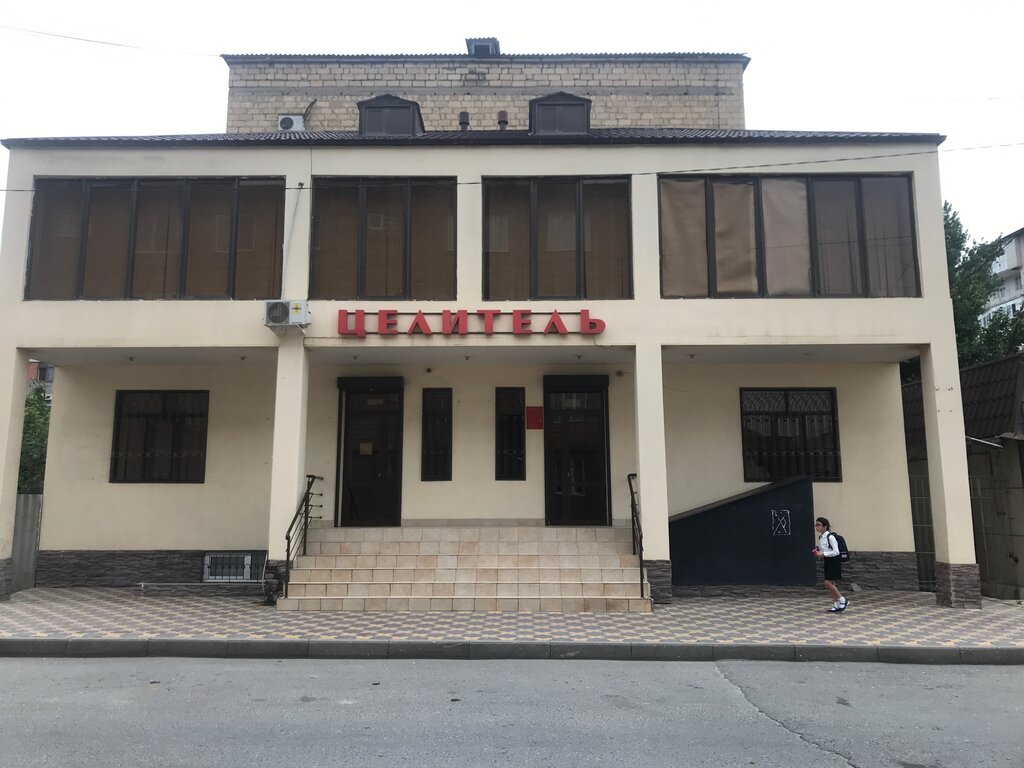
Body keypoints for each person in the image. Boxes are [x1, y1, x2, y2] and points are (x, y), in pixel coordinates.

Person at [812, 517, 848, 613]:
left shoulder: (831, 537)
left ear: (825, 526)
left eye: (819, 525)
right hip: (827, 561)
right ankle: (836, 604)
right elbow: (825, 550)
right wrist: (818, 552)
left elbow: (836, 552)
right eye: (816, 525)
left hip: (834, 561)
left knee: (827, 583)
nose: (817, 527)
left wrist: (823, 554)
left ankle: (842, 599)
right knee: (831, 584)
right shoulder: (821, 537)